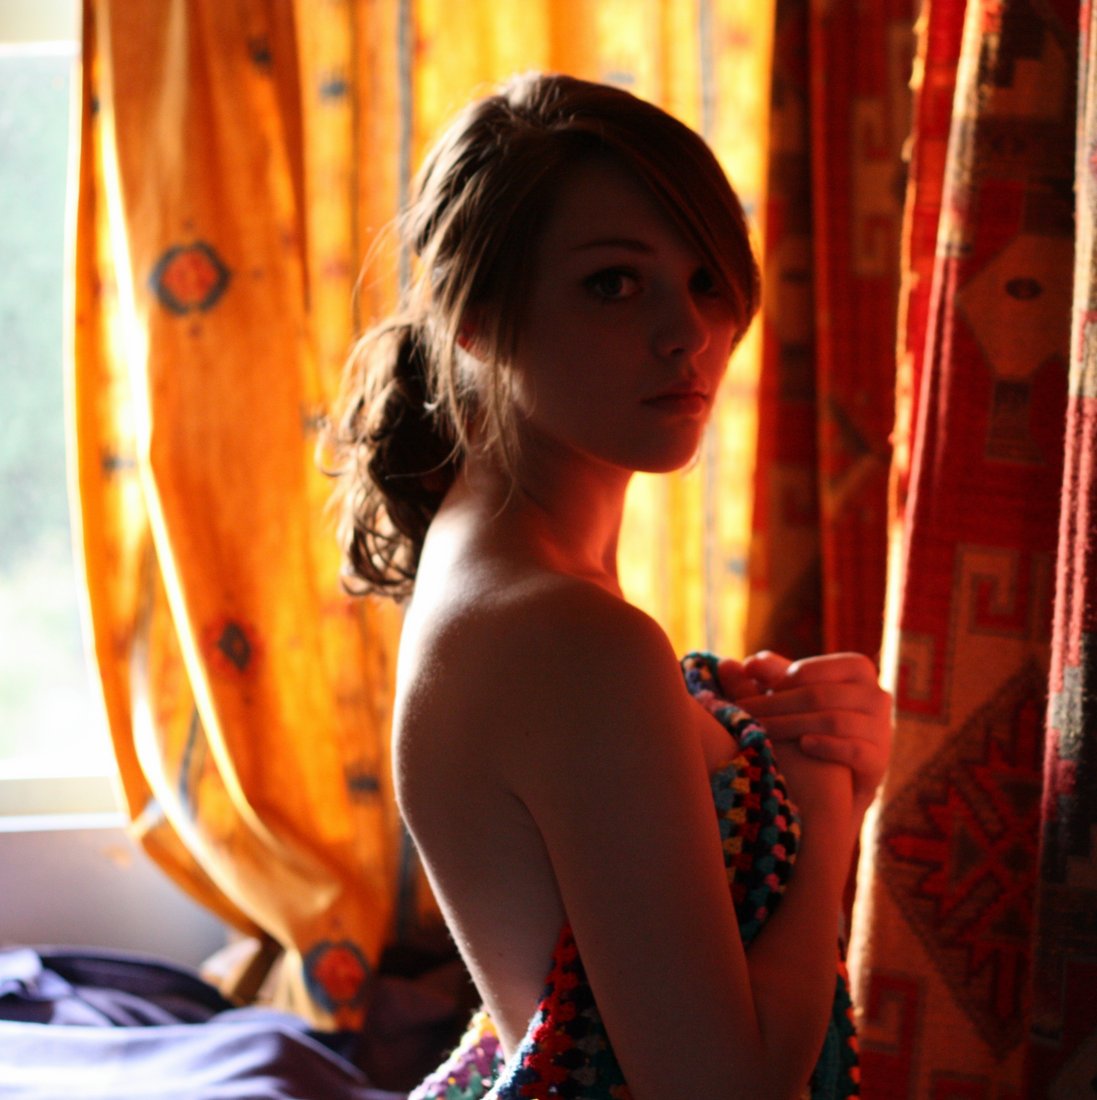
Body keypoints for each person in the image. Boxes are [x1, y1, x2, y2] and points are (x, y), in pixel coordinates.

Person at [330, 72, 892, 1100]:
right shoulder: (567, 631)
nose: (689, 333)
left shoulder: (505, 570)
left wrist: (728, 719)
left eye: (706, 279)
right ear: (475, 316)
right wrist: (822, 809)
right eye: (613, 283)